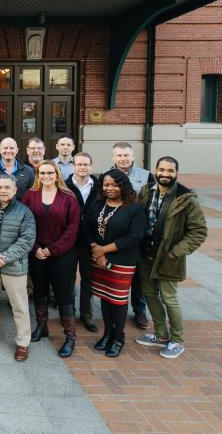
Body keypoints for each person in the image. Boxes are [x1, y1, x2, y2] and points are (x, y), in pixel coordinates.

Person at [135, 156, 207, 359]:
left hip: (168, 256)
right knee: (150, 295)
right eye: (162, 170)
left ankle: (177, 340)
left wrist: (176, 251)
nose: (165, 174)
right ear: (155, 170)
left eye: (170, 171)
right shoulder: (146, 191)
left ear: (176, 173)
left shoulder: (186, 199)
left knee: (169, 298)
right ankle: (160, 334)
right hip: (145, 254)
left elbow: (198, 232)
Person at [21, 161, 81, 357]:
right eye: (42, 173)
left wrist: (51, 250)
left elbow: (72, 229)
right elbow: (25, 223)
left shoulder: (69, 197)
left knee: (64, 295)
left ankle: (70, 336)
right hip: (36, 252)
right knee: (39, 290)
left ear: (57, 174)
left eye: (50, 173)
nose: (46, 176)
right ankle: (42, 326)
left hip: (63, 255)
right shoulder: (30, 195)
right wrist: (37, 248)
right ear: (38, 175)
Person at [0, 175, 37, 362]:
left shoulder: (25, 212)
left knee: (19, 306)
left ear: (15, 190)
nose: (3, 190)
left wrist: (6, 257)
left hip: (14, 268)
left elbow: (27, 240)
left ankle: (22, 342)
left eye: (7, 187)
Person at [85, 168, 145, 358]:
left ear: (123, 185)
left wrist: (104, 250)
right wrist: (96, 249)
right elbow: (85, 227)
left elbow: (134, 237)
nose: (110, 188)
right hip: (99, 259)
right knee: (104, 296)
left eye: (114, 184)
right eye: (106, 184)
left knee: (117, 300)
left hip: (122, 260)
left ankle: (118, 337)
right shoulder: (97, 204)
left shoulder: (133, 208)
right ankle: (107, 333)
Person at [111, 141, 156, 329]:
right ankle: (114, 308)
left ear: (133, 156)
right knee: (117, 272)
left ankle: (139, 310)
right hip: (116, 232)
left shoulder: (146, 176)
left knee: (139, 275)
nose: (123, 159)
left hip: (140, 233)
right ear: (113, 157)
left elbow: (154, 202)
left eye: (126, 155)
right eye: (119, 155)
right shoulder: (107, 176)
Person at [67, 152, 100, 333]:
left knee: (88, 279)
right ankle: (69, 314)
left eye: (86, 164)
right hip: (70, 241)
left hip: (91, 242)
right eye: (79, 164)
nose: (82, 167)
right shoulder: (64, 185)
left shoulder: (99, 186)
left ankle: (87, 315)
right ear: (73, 166)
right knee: (69, 279)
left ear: (91, 166)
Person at [0, 137, 35, 206]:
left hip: (21, 214)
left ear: (17, 150)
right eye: (5, 148)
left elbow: (33, 198)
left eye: (11, 148)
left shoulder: (28, 171)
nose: (8, 151)